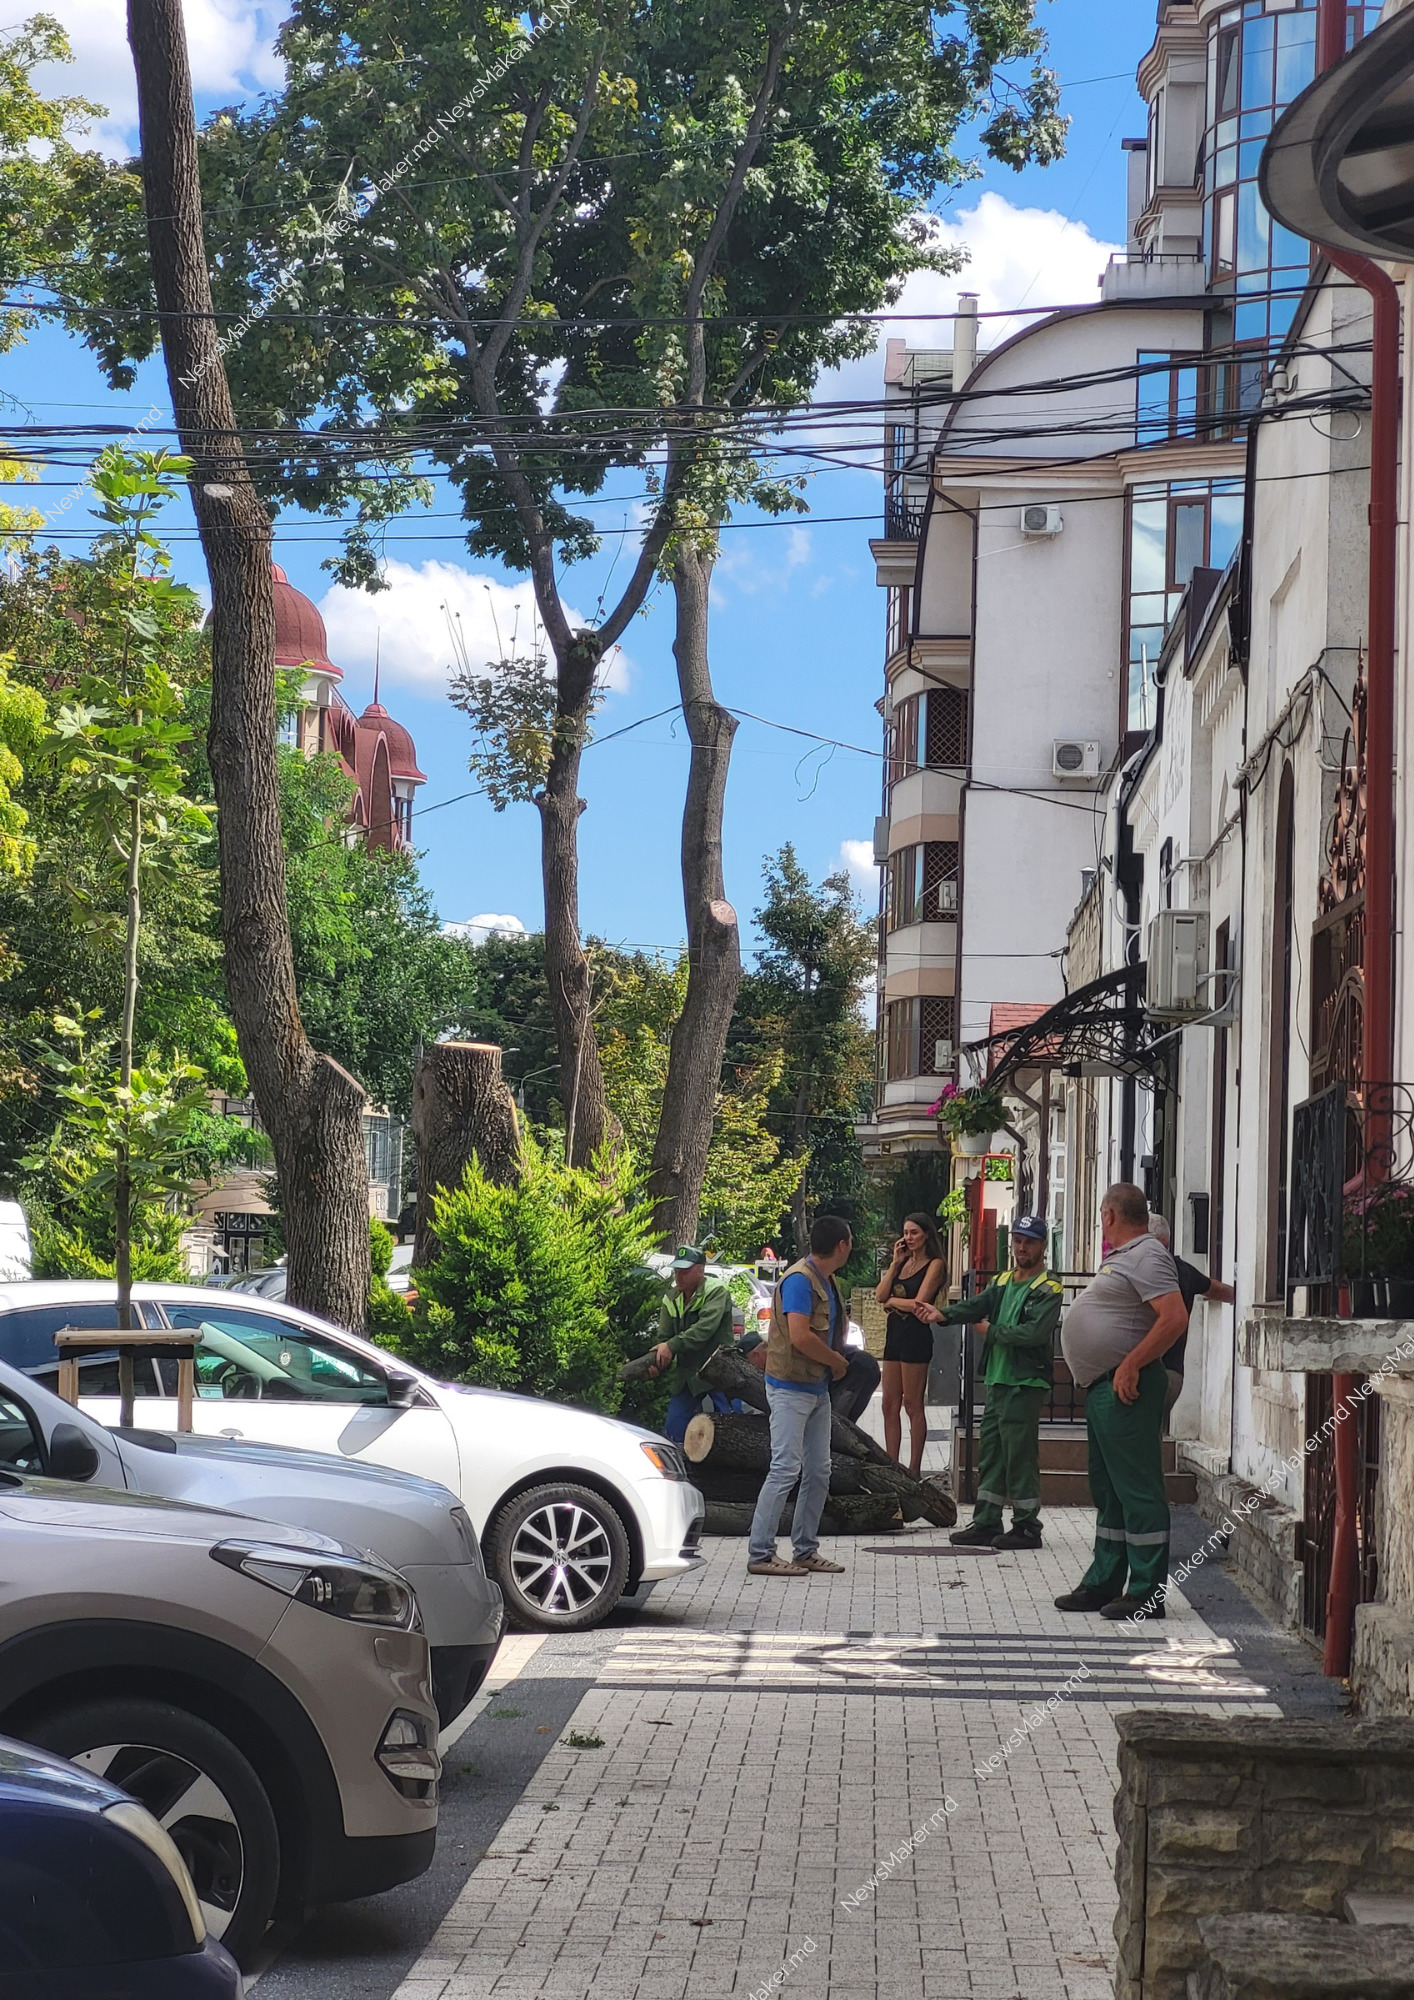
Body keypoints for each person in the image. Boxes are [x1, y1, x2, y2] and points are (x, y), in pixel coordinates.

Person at [1053, 1182, 1188, 1622]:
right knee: (1109, 1491)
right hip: (1104, 1387)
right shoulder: (1126, 1257)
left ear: (1109, 1215)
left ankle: (1147, 1591)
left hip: (1126, 1386)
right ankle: (1105, 1581)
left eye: (1099, 1216)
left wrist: (1131, 1364)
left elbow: (1174, 1317)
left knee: (1137, 1488)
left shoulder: (1148, 1253)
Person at [916, 1213, 1061, 1550]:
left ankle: (1027, 1526)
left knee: (1019, 1455)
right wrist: (944, 1315)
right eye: (1018, 1240)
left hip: (1025, 1382)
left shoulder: (1048, 1286)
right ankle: (986, 1520)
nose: (1022, 1247)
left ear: (1042, 1246)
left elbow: (1035, 1333)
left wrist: (990, 1331)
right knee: (992, 1452)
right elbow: (978, 1304)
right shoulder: (1004, 1280)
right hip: (998, 1379)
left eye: (1029, 1241)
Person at [746, 1215, 854, 1578]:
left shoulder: (826, 1280)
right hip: (790, 1389)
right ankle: (761, 1552)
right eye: (850, 1241)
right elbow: (800, 1336)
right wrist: (837, 1361)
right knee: (785, 1468)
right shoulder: (799, 1281)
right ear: (842, 1245)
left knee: (819, 1471)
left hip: (816, 1389)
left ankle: (805, 1549)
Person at [874, 1212, 947, 1476]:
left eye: (914, 1232)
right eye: (905, 1233)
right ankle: (892, 1466)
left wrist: (893, 1302)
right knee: (888, 1404)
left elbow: (920, 1303)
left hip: (916, 1337)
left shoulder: (935, 1264)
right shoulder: (901, 1264)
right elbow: (879, 1295)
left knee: (912, 1404)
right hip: (894, 1335)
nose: (908, 1238)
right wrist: (894, 1264)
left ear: (926, 1234)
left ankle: (914, 1469)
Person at [1147, 1213, 1235, 1416]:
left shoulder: (1158, 1271)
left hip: (1154, 1370)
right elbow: (1218, 1290)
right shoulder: (1184, 1270)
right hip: (1172, 1372)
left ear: (1161, 1243)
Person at [652, 1247, 737, 1445]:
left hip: (721, 1370)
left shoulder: (716, 1291)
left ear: (700, 1270)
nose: (679, 1276)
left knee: (734, 1427)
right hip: (688, 1374)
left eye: (685, 1271)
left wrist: (671, 1346)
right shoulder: (671, 1298)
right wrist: (657, 1360)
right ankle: (681, 1469)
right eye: (676, 1271)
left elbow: (703, 1330)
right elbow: (664, 1336)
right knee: (674, 1429)